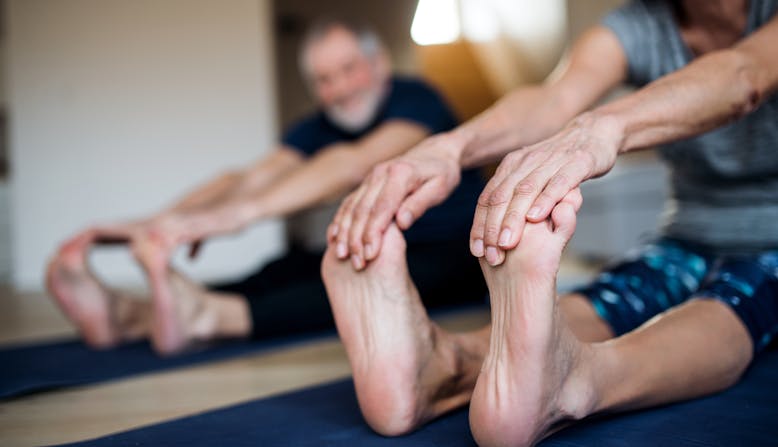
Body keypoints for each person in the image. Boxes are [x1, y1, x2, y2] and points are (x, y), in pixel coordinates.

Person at [324, 0, 778, 445]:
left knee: (732, 303)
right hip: (685, 234)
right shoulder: (640, 23)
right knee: (617, 292)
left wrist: (603, 128)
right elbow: (554, 97)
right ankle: (445, 366)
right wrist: (450, 148)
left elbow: (744, 75)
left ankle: (580, 381)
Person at [45, 18, 486, 355]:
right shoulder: (317, 125)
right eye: (323, 80)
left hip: (452, 253)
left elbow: (354, 163)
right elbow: (247, 178)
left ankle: (203, 316)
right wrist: (155, 224)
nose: (338, 89)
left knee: (345, 282)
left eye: (348, 70)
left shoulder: (415, 98)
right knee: (281, 269)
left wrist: (235, 217)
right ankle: (131, 316)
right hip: (370, 245)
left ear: (378, 64)